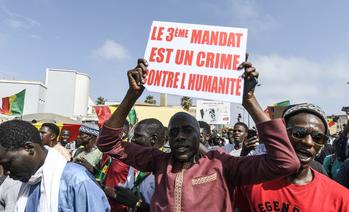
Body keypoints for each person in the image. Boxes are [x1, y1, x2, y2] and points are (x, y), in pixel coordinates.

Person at [97, 58, 300, 211]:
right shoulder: (159, 162)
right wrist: (131, 95)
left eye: (187, 131)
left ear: (199, 136)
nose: (180, 137)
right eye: (174, 132)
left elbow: (286, 162)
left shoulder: (221, 165)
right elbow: (108, 142)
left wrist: (249, 100)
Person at [235, 103, 349, 211]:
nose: (308, 142)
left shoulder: (342, 201)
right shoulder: (251, 182)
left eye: (318, 138)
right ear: (281, 134)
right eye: (299, 133)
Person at [0, 120, 110, 212]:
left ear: (29, 148)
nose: (5, 173)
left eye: (8, 163)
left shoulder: (77, 180)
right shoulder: (28, 182)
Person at [105, 118, 166, 211]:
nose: (133, 139)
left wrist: (137, 203)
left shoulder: (166, 169)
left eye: (138, 136)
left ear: (153, 139)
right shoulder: (136, 162)